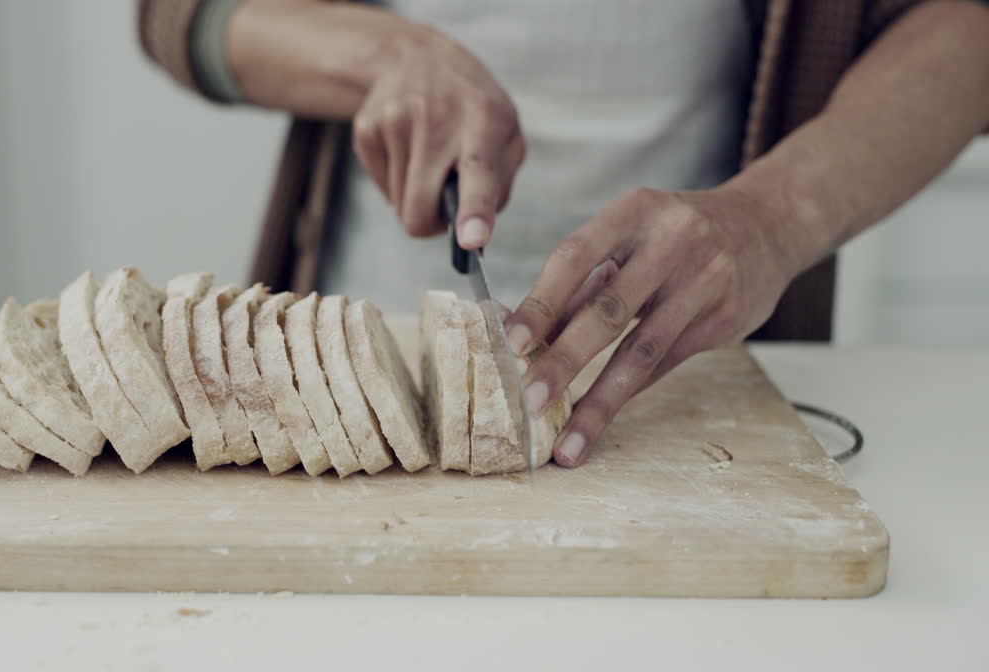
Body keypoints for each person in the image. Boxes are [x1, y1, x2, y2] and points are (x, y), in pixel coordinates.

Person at [136, 0, 989, 467]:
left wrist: (776, 215)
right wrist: (381, 54)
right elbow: (174, 15)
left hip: (697, 369)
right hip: (365, 318)